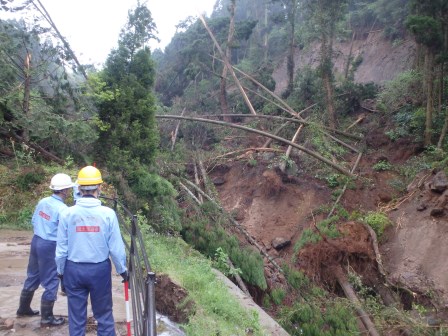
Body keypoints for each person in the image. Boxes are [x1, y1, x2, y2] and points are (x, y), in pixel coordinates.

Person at [55, 165, 128, 336]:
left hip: (73, 269)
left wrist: (60, 272)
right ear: (99, 187)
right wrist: (122, 270)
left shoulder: (67, 214)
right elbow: (116, 249)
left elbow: (61, 249)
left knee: (76, 319)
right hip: (99, 271)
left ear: (79, 188)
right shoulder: (108, 214)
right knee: (104, 315)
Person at [17, 173, 74, 327]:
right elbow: (65, 234)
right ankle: (47, 317)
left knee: (33, 275)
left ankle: (23, 309)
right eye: (68, 189)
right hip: (50, 245)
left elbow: (34, 220)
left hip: (37, 241)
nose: (69, 191)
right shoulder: (63, 210)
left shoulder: (43, 202)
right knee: (51, 279)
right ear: (64, 191)